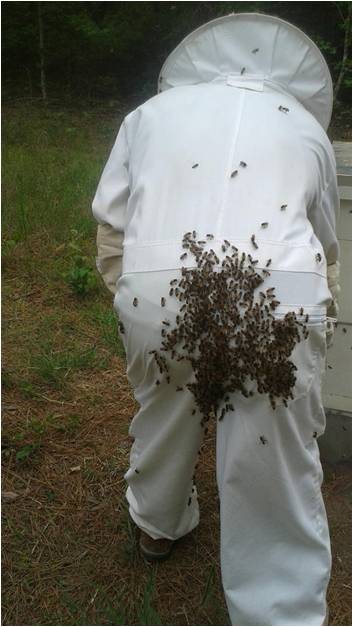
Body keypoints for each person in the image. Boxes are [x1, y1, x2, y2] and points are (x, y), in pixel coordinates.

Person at [91, 12, 340, 626]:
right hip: (280, 295)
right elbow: (325, 244)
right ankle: (277, 610)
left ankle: (158, 525)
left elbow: (111, 225)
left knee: (167, 406)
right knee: (274, 448)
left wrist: (137, 307)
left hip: (159, 285)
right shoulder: (305, 128)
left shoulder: (147, 117)